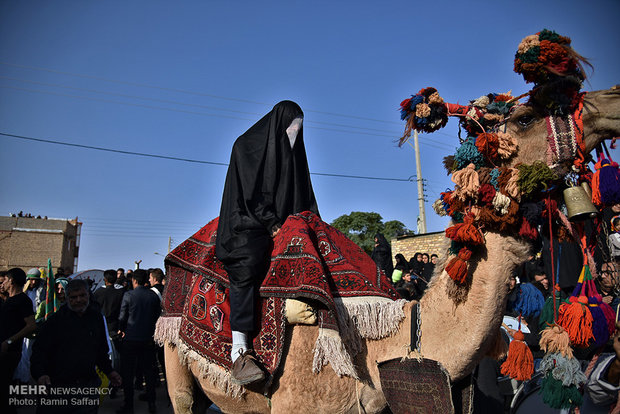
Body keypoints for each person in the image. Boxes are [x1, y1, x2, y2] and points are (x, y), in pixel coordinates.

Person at [215, 100, 319, 385]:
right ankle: (240, 347)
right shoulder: (246, 146)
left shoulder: (293, 152)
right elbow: (250, 193)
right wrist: (271, 223)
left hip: (279, 223)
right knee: (249, 260)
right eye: (292, 125)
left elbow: (301, 194)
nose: (295, 132)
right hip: (246, 221)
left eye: (300, 126)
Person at [30, 279, 121, 414]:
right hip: (58, 387)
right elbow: (39, 351)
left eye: (82, 296)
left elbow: (100, 351)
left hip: (87, 386)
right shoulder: (55, 322)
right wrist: (40, 374)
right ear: (67, 298)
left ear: (88, 295)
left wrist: (109, 371)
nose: (79, 300)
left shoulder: (96, 319)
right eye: (74, 297)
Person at [117, 269, 161, 413]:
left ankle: (128, 405)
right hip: (148, 339)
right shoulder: (153, 296)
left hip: (130, 338)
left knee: (128, 373)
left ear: (134, 281)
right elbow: (157, 317)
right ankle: (152, 403)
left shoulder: (128, 295)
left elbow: (123, 317)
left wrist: (121, 329)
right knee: (149, 371)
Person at [0, 268, 36, 413]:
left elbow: (31, 325)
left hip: (9, 352)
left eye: (6, 280)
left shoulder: (23, 300)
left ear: (12, 281)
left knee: (4, 389)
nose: (4, 283)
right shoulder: (9, 300)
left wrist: (9, 341)